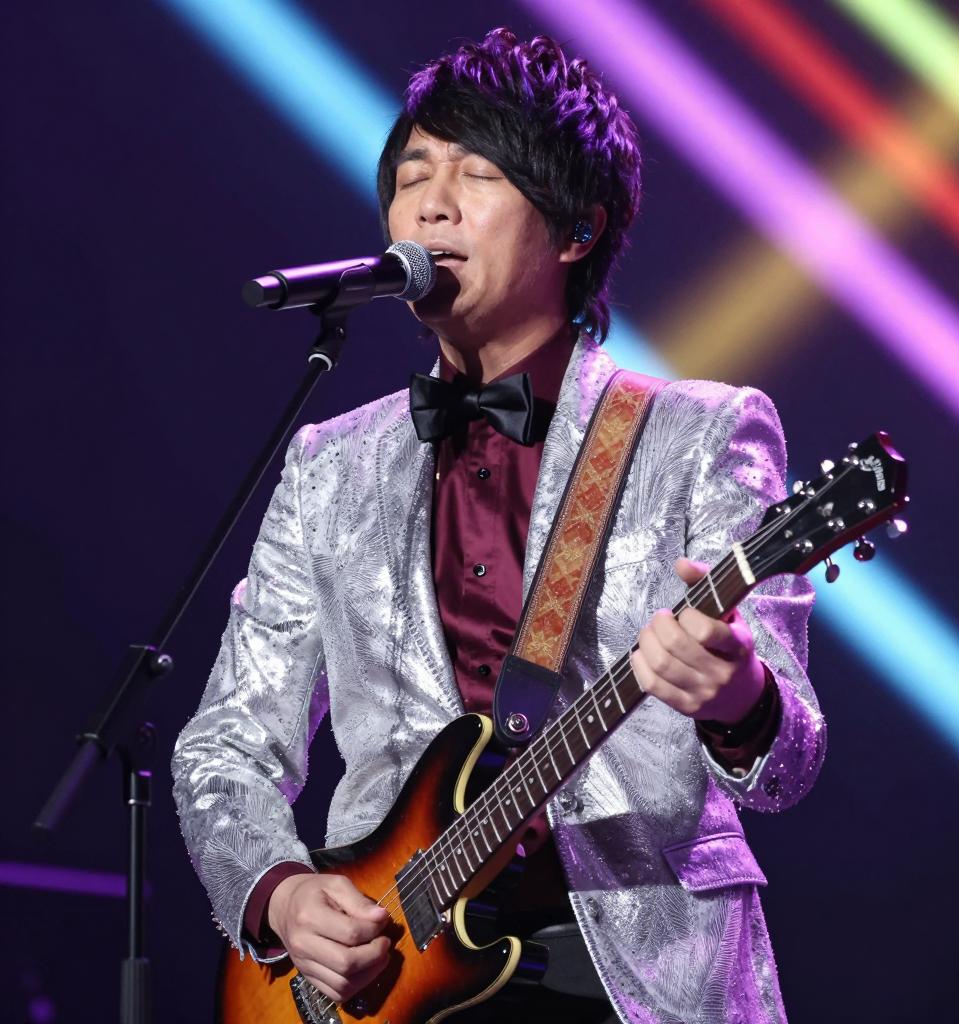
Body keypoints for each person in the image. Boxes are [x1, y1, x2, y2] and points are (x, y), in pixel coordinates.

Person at [171, 27, 825, 1024]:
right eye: (411, 176)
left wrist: (738, 697)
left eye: (476, 174)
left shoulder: (702, 434)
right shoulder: (328, 466)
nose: (429, 204)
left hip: (635, 983)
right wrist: (282, 893)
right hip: (392, 984)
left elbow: (788, 765)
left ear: (576, 231)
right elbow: (226, 743)